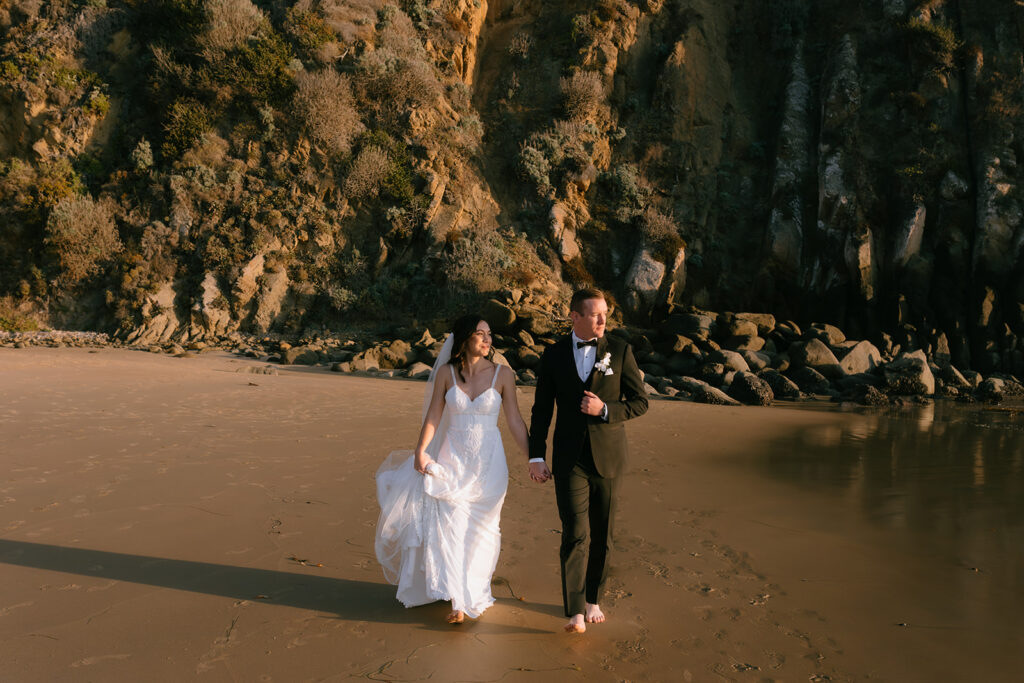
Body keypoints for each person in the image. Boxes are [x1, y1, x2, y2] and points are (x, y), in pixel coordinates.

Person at [375, 315, 530, 624]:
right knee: (452, 526)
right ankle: (458, 601)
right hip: (453, 459)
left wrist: (534, 458)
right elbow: (434, 415)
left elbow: (514, 420)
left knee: (484, 531)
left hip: (489, 464)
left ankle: (474, 590)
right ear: (464, 339)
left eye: (489, 335)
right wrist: (420, 451)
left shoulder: (503, 375)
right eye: (480, 334)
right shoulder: (446, 373)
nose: (487, 340)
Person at [528, 288, 648, 633]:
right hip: (568, 460)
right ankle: (576, 609)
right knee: (575, 534)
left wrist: (606, 410)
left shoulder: (621, 351)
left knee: (603, 536)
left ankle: (594, 598)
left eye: (605, 313)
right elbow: (541, 411)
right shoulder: (553, 355)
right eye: (595, 314)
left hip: (609, 458)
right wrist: (536, 455)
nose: (602, 319)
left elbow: (641, 402)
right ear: (574, 317)